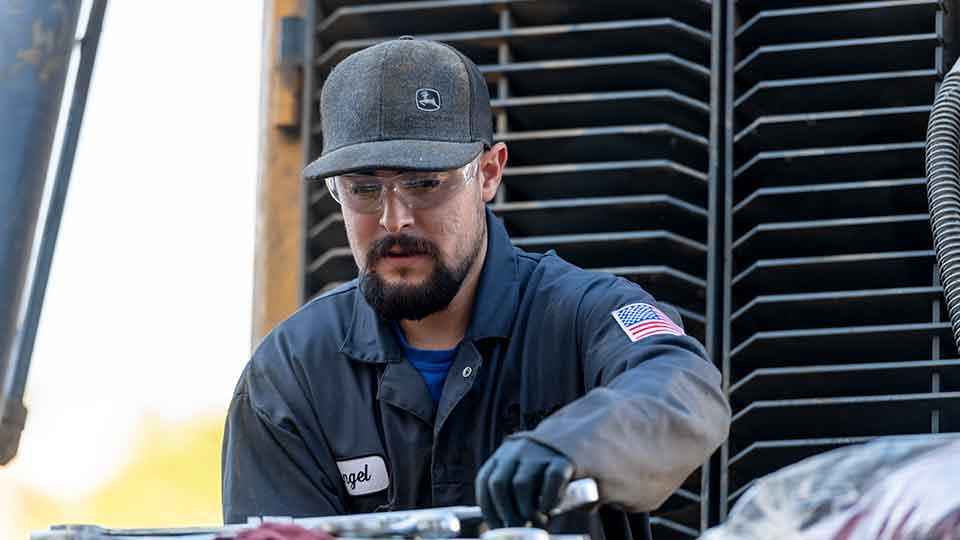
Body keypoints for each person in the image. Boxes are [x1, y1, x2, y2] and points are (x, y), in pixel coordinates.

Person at [221, 37, 730, 540]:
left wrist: (570, 444)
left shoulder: (583, 315)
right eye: (363, 189)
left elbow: (685, 388)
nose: (394, 219)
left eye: (424, 183)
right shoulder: (291, 375)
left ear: (488, 173)